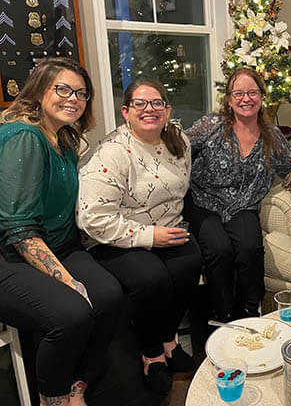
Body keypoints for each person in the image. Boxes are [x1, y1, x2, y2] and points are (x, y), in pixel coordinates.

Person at [0, 58, 123, 406]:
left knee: (110, 296)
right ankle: (52, 398)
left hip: (59, 243)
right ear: (39, 92)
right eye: (63, 89)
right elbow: (20, 230)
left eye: (81, 93)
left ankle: (77, 386)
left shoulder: (65, 139)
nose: (73, 99)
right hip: (10, 253)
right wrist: (69, 282)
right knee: (72, 313)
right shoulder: (23, 136)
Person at [78, 78, 203, 396]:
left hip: (166, 228)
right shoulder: (111, 153)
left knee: (189, 262)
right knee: (152, 278)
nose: (150, 109)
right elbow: (93, 218)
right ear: (126, 111)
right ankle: (152, 353)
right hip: (114, 237)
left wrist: (165, 233)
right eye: (140, 104)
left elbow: (177, 194)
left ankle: (168, 338)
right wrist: (150, 236)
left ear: (167, 109)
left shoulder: (178, 141)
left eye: (157, 102)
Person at [184, 67, 291, 322]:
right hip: (203, 201)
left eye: (252, 92)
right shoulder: (211, 125)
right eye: (239, 93)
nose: (246, 99)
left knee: (250, 249)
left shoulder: (274, 137)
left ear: (262, 96)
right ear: (229, 99)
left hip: (243, 205)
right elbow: (179, 148)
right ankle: (221, 314)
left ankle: (248, 311)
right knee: (219, 249)